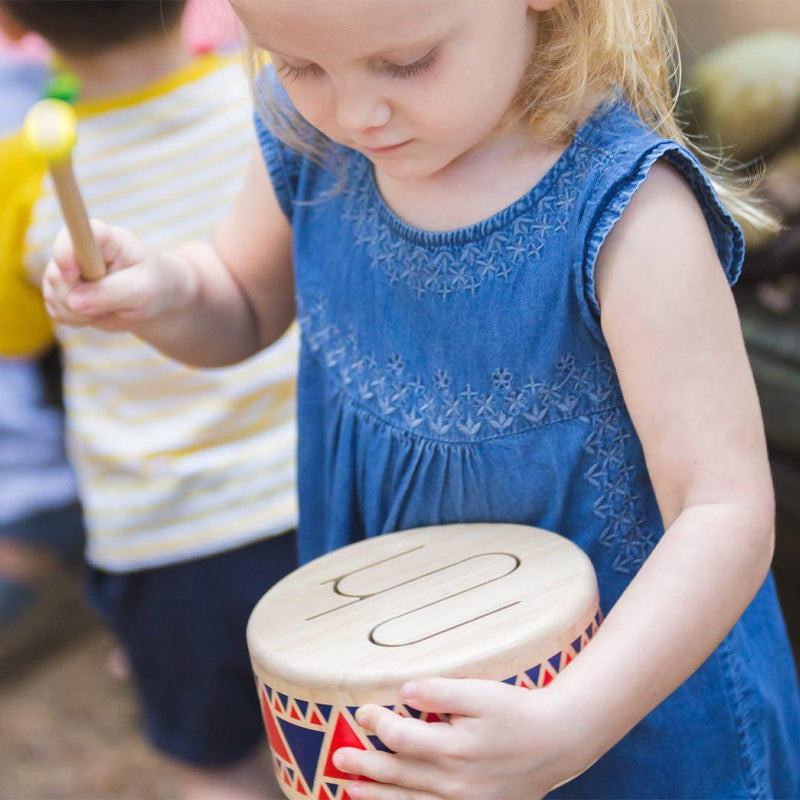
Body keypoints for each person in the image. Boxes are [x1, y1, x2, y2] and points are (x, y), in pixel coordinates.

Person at [40, 0, 800, 797]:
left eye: (407, 64)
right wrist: (164, 293)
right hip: (408, 685)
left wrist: (572, 723)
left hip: (634, 716)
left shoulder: (630, 216)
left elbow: (723, 509)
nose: (356, 112)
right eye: (297, 66)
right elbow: (240, 303)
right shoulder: (317, 144)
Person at [0, 1, 298, 797]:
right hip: (316, 495)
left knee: (218, 768)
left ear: (12, 24)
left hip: (164, 534)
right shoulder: (278, 96)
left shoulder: (24, 173)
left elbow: (14, 335)